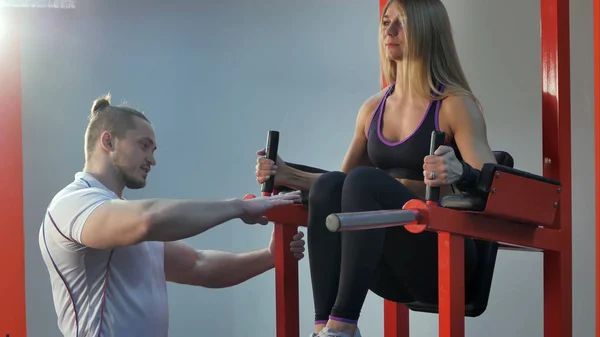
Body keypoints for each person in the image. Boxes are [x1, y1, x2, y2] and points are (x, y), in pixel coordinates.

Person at [254, 0, 497, 336]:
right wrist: (288, 175)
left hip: (443, 261)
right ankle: (326, 326)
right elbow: (340, 187)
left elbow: (500, 188)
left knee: (364, 181)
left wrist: (462, 174)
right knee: (332, 187)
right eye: (385, 22)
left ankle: (342, 326)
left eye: (402, 23)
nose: (389, 31)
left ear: (427, 29)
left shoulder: (455, 105)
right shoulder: (372, 109)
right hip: (390, 269)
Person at [39, 94, 305, 337]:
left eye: (153, 151)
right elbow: (147, 220)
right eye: (144, 146)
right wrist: (240, 207)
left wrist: (271, 256)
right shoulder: (72, 203)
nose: (152, 160)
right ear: (108, 141)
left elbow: (199, 266)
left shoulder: (124, 217)